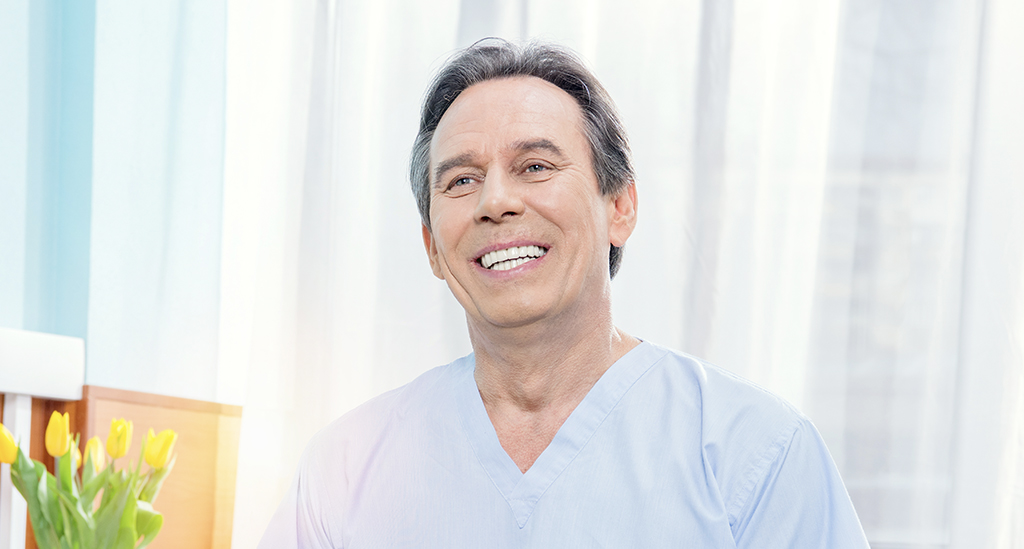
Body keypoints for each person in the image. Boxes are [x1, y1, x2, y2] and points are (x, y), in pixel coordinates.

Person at [258, 39, 870, 548]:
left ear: (620, 206)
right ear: (432, 247)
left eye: (536, 166)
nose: (496, 201)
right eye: (462, 179)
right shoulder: (344, 470)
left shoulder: (757, 452)